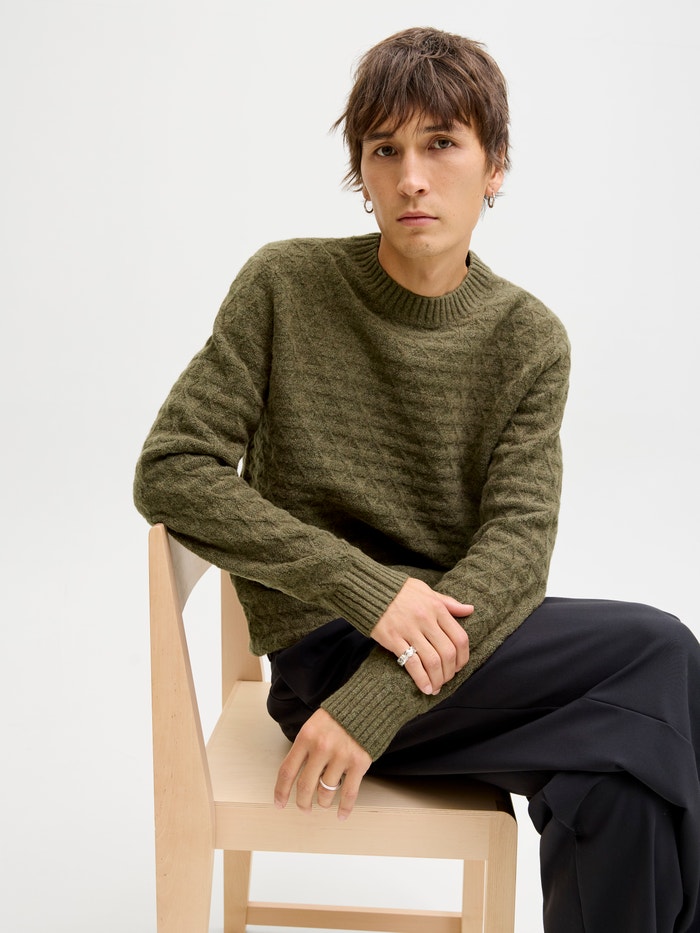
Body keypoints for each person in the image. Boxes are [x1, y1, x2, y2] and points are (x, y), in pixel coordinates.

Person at [134, 26, 700, 933]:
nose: (412, 178)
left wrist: (381, 697)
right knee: (658, 653)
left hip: (448, 655)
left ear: (495, 164)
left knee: (619, 781)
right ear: (362, 172)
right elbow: (172, 471)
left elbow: (517, 549)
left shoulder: (527, 338)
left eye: (441, 144)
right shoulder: (285, 285)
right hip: (325, 656)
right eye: (385, 150)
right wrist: (371, 594)